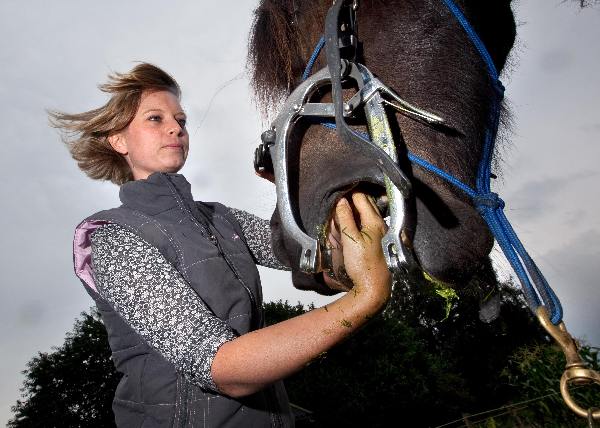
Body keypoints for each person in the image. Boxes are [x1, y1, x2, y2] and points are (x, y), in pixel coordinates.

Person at [53, 63, 392, 427]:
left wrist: (292, 185)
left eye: (180, 120)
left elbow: (306, 252)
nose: (175, 128)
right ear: (118, 140)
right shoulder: (112, 237)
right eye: (155, 118)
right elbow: (220, 367)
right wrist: (364, 298)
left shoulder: (220, 217)